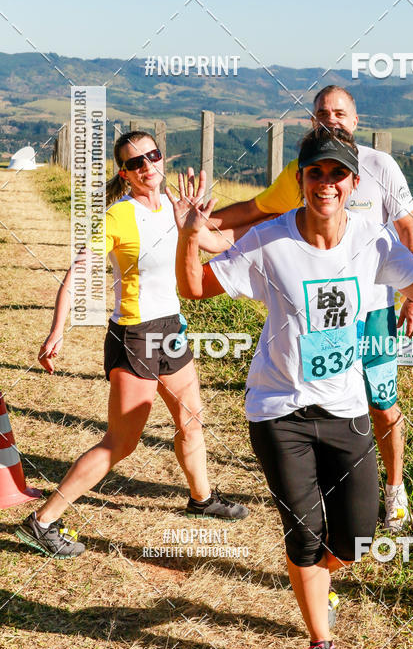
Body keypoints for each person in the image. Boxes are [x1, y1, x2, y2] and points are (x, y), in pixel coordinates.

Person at [168, 127, 413, 649]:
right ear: (299, 180)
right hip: (279, 410)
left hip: (346, 407)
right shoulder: (270, 240)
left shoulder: (373, 237)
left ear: (354, 181)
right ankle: (321, 639)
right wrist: (188, 236)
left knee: (356, 537)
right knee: (304, 534)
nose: (326, 183)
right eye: (315, 172)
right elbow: (194, 288)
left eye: (337, 173)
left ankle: (319, 579)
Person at [16, 130, 248, 559]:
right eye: (135, 163)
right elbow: (77, 274)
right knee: (121, 443)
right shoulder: (118, 216)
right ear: (124, 173)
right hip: (135, 335)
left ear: (163, 158)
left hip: (171, 330)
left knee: (190, 420)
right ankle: (42, 521)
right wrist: (57, 330)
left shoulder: (176, 208)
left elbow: (220, 244)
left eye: (152, 156)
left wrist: (218, 224)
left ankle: (201, 499)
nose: (146, 167)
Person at [208, 85, 413, 530]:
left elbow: (407, 228)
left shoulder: (380, 166)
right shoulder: (300, 171)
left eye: (340, 113)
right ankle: (328, 489)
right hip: (318, 314)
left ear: (356, 120)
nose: (332, 120)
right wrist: (198, 224)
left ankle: (395, 489)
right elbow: (255, 211)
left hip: (375, 310)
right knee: (324, 399)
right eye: (322, 113)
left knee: (382, 404)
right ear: (312, 121)